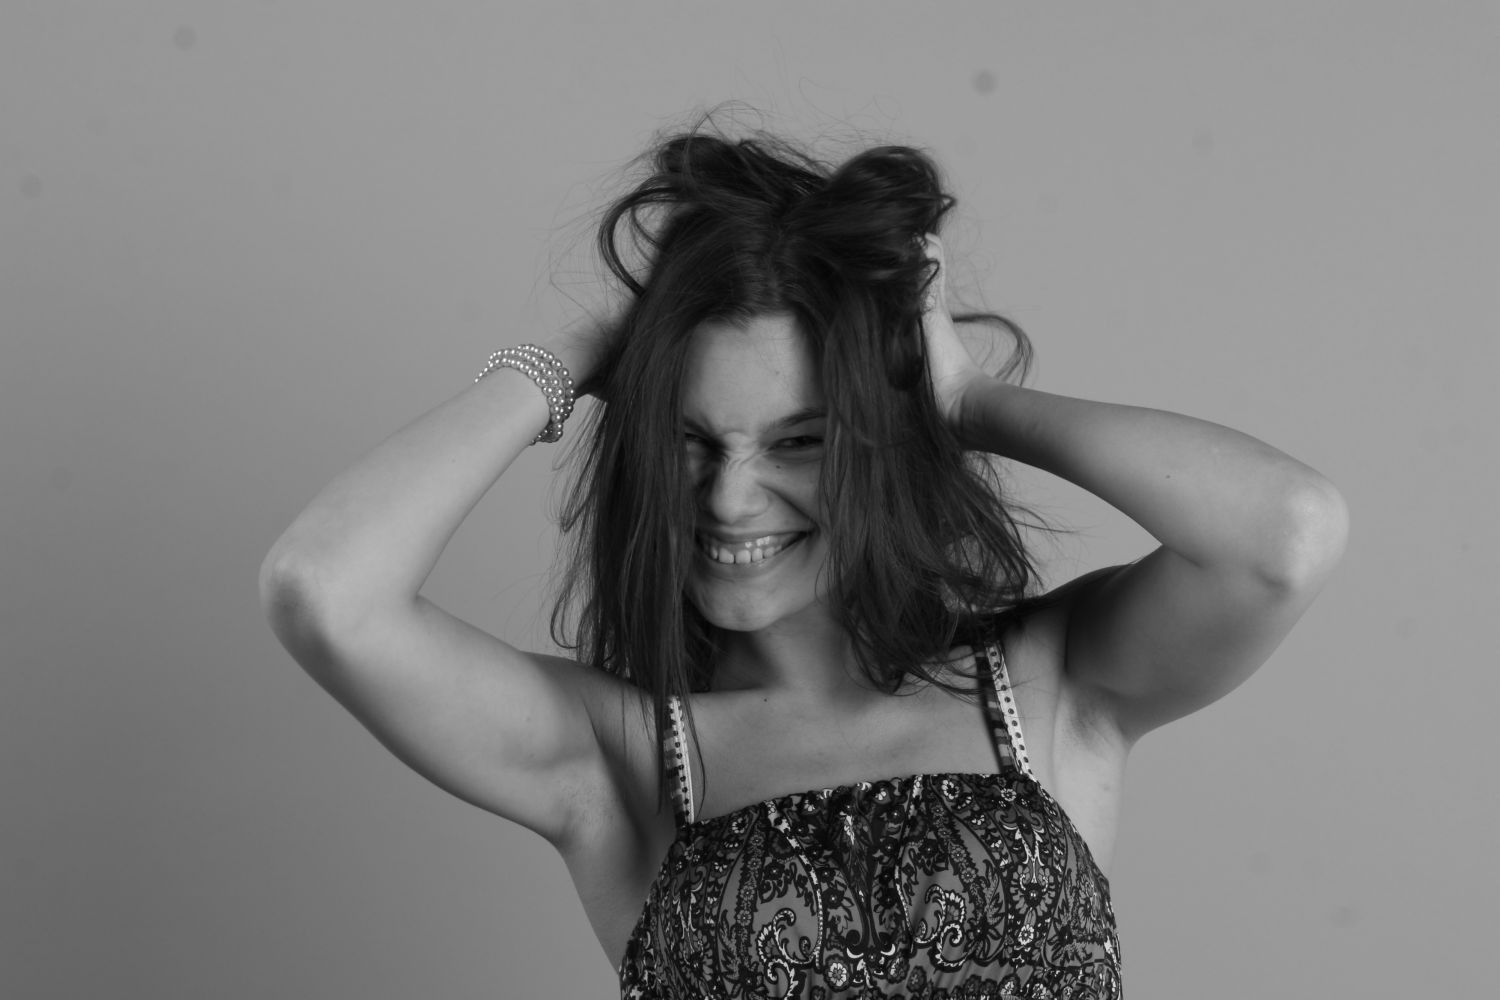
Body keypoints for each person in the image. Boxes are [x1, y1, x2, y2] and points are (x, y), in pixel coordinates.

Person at [259, 122, 1348, 999]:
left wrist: (963, 402)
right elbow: (324, 590)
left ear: (877, 444)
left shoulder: (1052, 684)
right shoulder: (617, 757)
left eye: (798, 442)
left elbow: (1283, 533)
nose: (730, 496)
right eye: (690, 439)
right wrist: (581, 356)